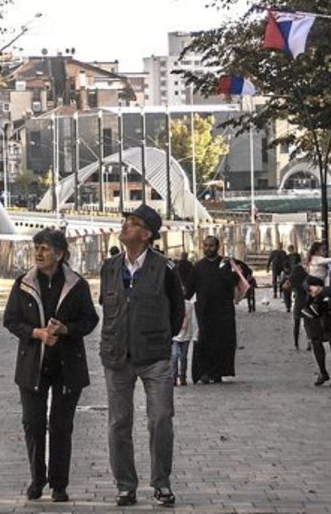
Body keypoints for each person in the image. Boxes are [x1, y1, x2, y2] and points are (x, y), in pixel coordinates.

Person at [99, 203, 185, 507]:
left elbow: (177, 311)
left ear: (147, 235)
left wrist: (157, 337)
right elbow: (108, 306)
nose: (125, 226)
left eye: (133, 223)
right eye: (126, 221)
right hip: (117, 356)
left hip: (155, 357)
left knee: (160, 419)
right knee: (118, 423)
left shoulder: (165, 268)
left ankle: (161, 483)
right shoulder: (110, 267)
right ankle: (125, 485)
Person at [4, 228, 99, 502]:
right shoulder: (23, 283)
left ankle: (59, 484)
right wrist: (37, 333)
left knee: (61, 426)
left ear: (59, 254)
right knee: (33, 424)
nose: (39, 253)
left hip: (67, 365)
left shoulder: (76, 284)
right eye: (36, 248)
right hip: (32, 364)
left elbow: (90, 320)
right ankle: (37, 479)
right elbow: (11, 320)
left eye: (44, 248)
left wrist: (66, 329)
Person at [185, 235, 240, 385]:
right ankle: (203, 372)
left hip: (223, 311)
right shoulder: (198, 267)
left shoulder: (225, 264)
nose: (208, 248)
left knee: (222, 342)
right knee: (203, 341)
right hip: (204, 311)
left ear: (218, 247)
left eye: (211, 246)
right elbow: (189, 289)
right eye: (206, 245)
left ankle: (218, 372)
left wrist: (230, 268)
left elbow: (236, 281)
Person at [301, 275, 331, 386]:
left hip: (329, 315)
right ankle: (328, 373)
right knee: (321, 342)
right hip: (322, 313)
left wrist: (321, 291)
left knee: (330, 342)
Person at [171, 295, 197, 387]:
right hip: (175, 335)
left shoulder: (189, 305)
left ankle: (182, 376)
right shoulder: (172, 303)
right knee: (174, 356)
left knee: (183, 357)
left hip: (186, 335)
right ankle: (174, 377)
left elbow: (189, 318)